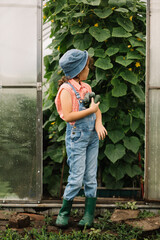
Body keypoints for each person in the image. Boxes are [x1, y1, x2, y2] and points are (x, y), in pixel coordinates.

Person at [55, 49, 107, 228]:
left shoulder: (87, 88)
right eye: (86, 66)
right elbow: (68, 116)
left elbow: (96, 108)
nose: (89, 69)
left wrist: (98, 122)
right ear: (78, 70)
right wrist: (90, 111)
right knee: (77, 177)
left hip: (92, 137)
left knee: (91, 177)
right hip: (77, 137)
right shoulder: (66, 90)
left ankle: (88, 215)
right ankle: (64, 213)